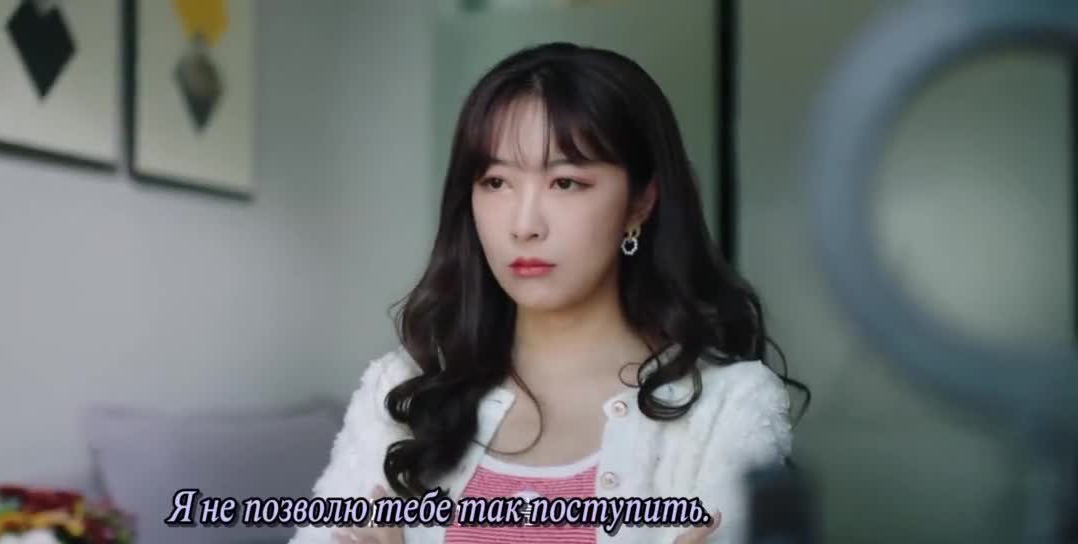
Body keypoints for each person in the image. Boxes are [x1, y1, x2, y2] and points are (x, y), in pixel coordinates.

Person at [290, 41, 808, 544]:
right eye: (496, 182)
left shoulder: (729, 405)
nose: (524, 225)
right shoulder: (406, 388)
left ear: (640, 202)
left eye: (565, 183)